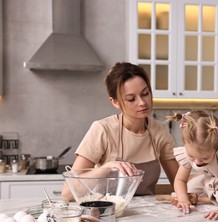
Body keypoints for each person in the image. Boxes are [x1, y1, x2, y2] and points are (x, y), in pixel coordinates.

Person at [62, 62, 178, 201]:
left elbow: (180, 181)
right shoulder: (103, 130)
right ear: (115, 102)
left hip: (149, 214)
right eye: (131, 99)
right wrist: (107, 168)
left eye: (145, 93)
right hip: (110, 215)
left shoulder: (159, 130)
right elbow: (68, 193)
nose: (142, 102)